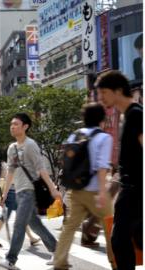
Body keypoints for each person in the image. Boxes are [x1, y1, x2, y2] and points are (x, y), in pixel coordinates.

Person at [53, 102, 115, 269]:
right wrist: (103, 193)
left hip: (76, 189)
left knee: (70, 227)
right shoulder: (104, 137)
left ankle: (59, 261)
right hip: (95, 190)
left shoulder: (74, 135)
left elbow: (66, 161)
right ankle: (116, 262)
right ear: (102, 119)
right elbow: (102, 167)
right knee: (110, 228)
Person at [0, 113, 61, 270]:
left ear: (25, 127)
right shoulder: (12, 148)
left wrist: (52, 188)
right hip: (19, 191)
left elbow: (41, 168)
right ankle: (58, 251)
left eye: (16, 124)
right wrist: (4, 193)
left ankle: (10, 259)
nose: (12, 126)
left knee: (19, 225)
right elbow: (10, 171)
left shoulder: (31, 145)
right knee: (35, 224)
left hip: (30, 190)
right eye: (11, 124)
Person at [96, 70, 143, 270]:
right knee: (136, 238)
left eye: (104, 93)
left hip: (135, 188)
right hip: (131, 187)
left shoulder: (135, 114)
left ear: (117, 91)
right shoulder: (127, 116)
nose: (100, 98)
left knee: (120, 240)